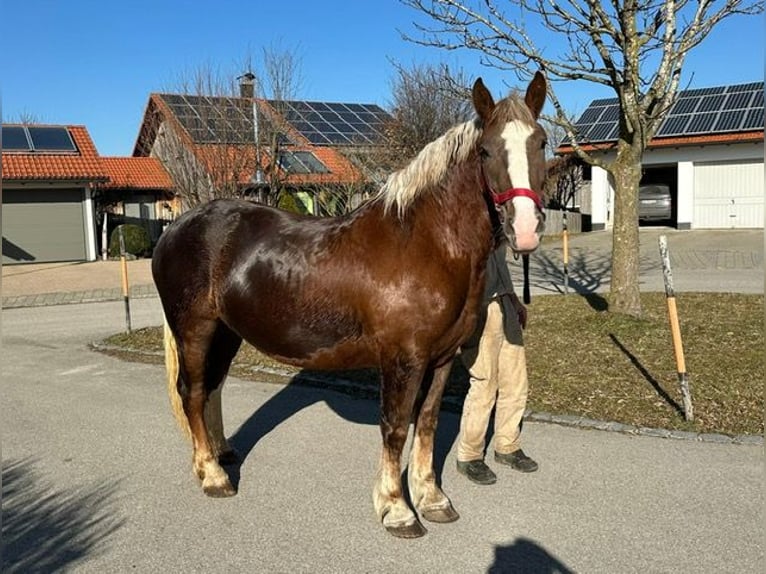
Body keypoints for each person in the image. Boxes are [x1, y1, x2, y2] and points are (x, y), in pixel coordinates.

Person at [455, 240, 538, 485]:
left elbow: (500, 263)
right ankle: (469, 456)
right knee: (484, 383)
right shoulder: (467, 220)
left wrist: (513, 299)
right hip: (478, 307)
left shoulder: (497, 221)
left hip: (503, 303)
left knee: (516, 382)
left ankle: (507, 446)